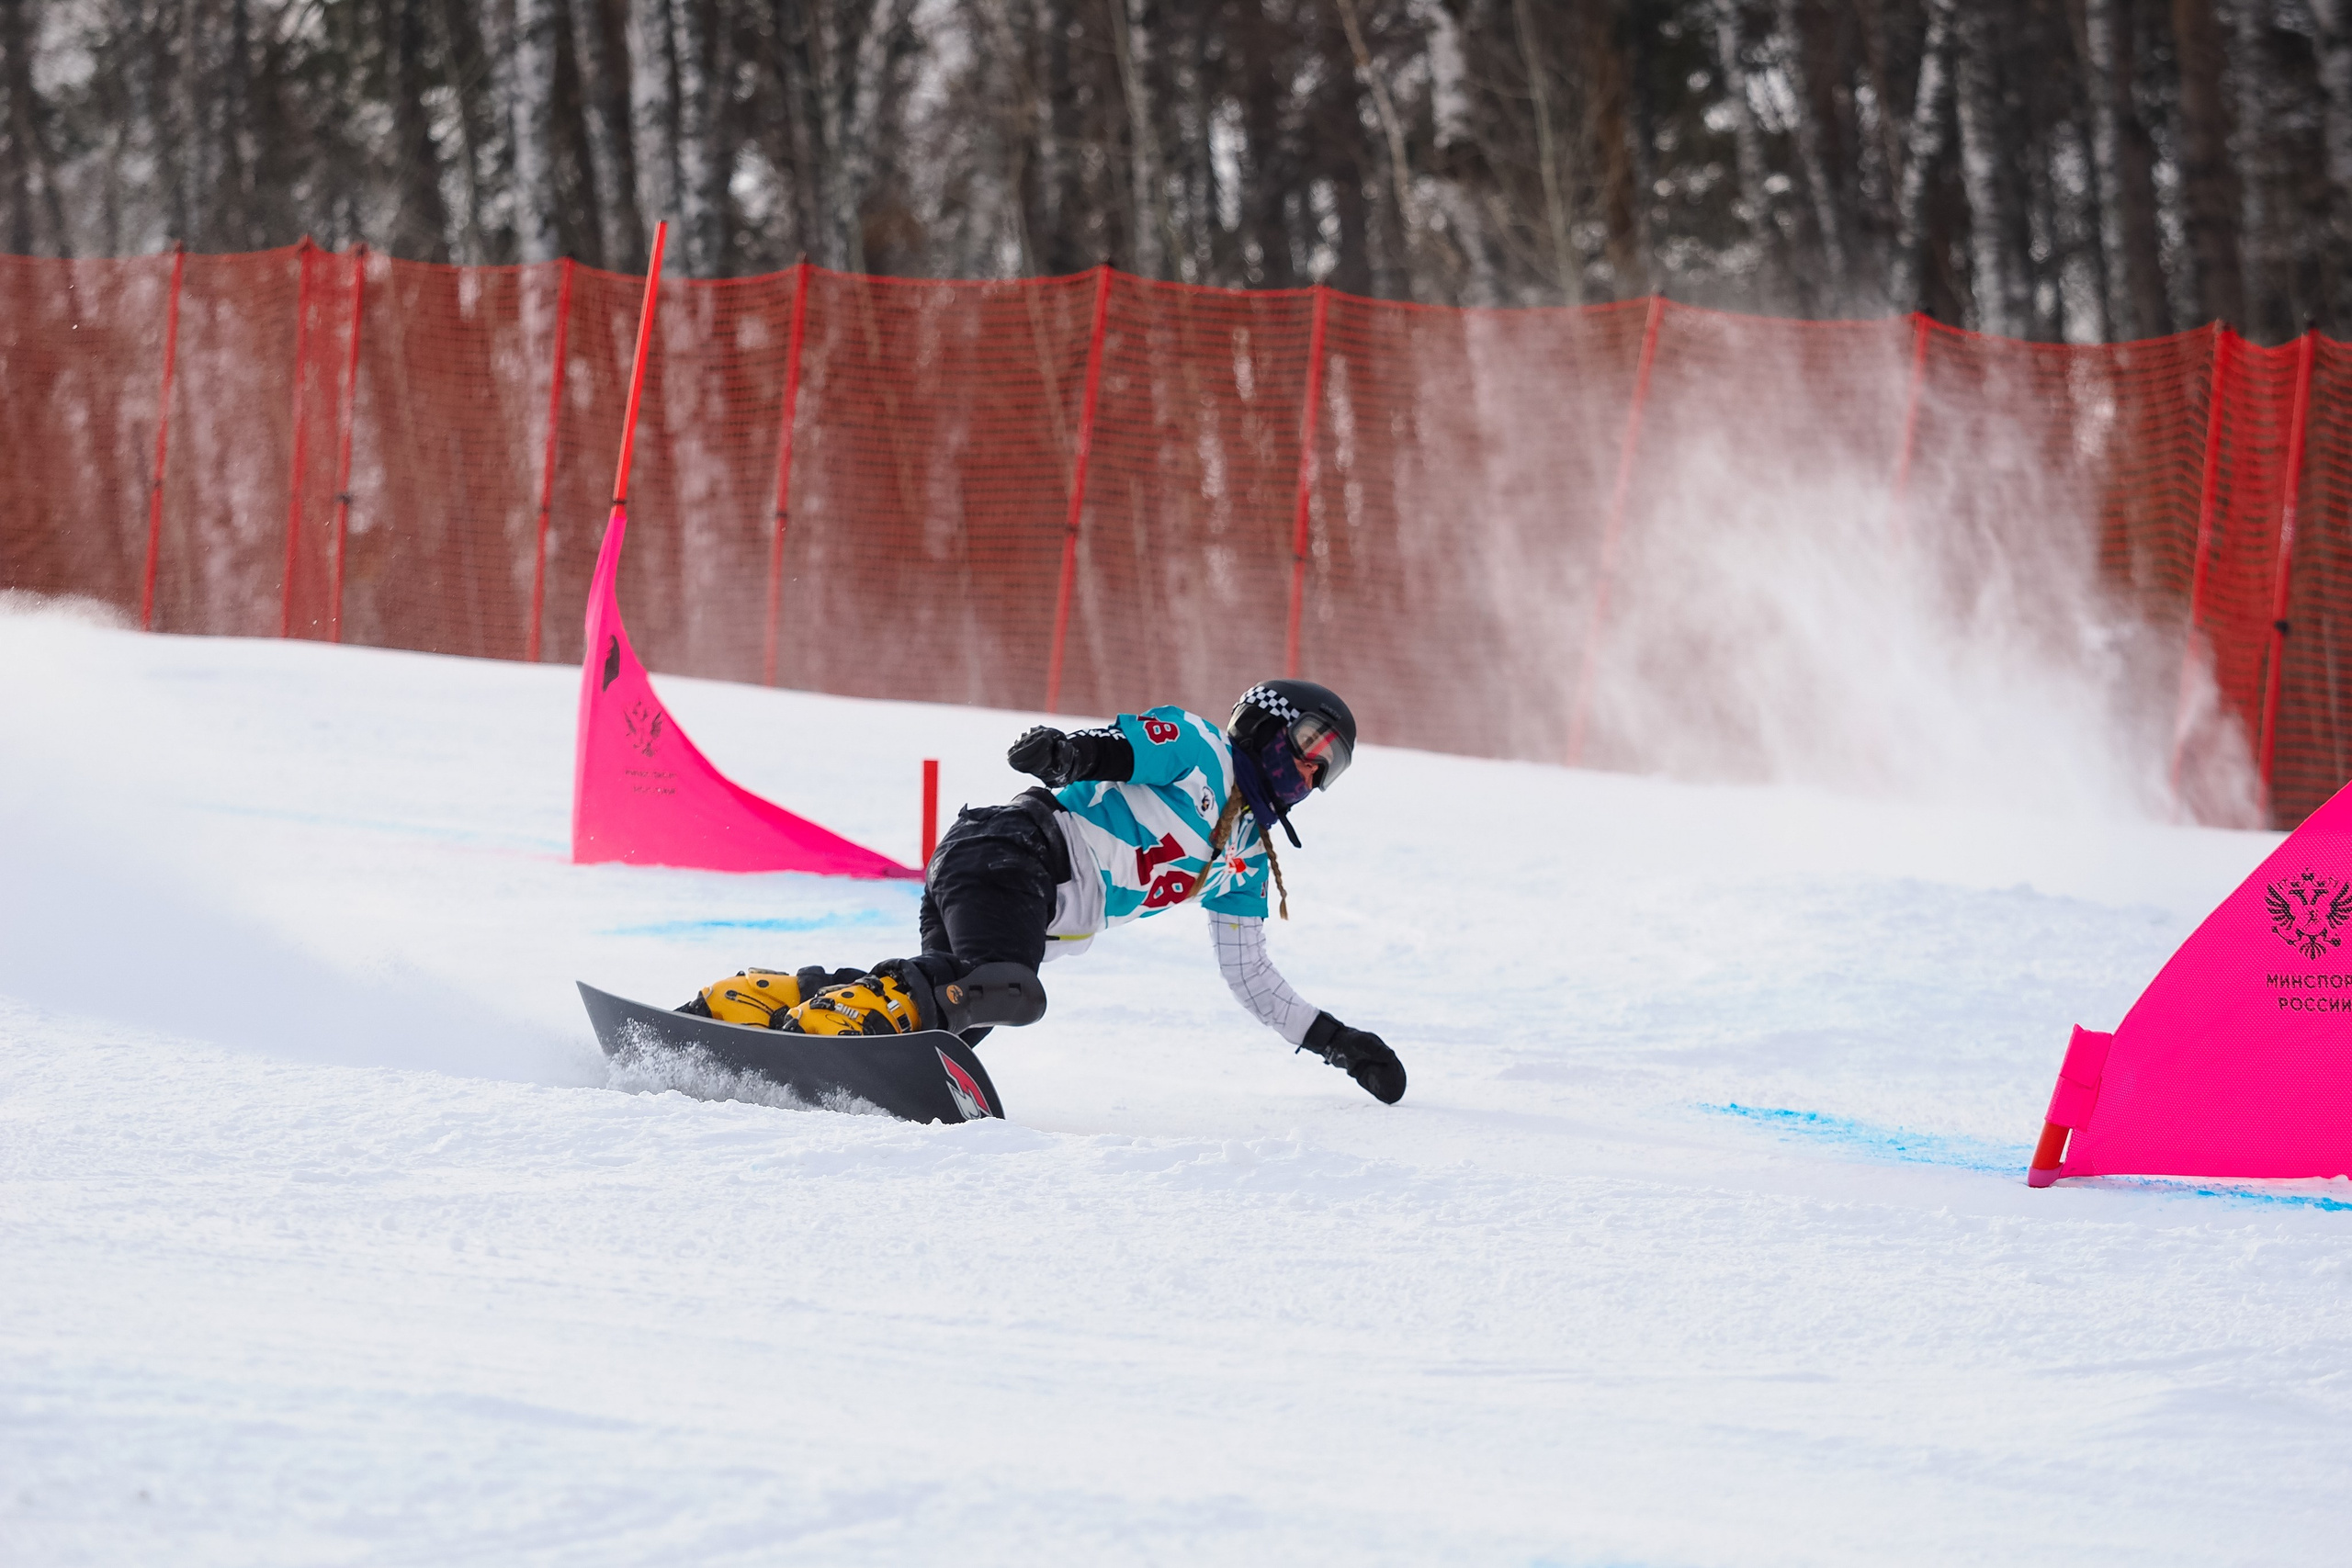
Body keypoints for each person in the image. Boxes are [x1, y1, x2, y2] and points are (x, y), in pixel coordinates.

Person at [683, 679, 1408, 1104]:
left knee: (955, 1013)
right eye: (1312, 745)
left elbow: (1250, 975)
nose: (1313, 772)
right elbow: (1122, 748)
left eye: (1330, 767)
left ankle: (762, 1000)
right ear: (1267, 725)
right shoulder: (1202, 751)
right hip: (1015, 851)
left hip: (1014, 886)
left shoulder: (1245, 854)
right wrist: (1068, 753)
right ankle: (823, 1026)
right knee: (1006, 991)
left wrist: (1337, 1042)